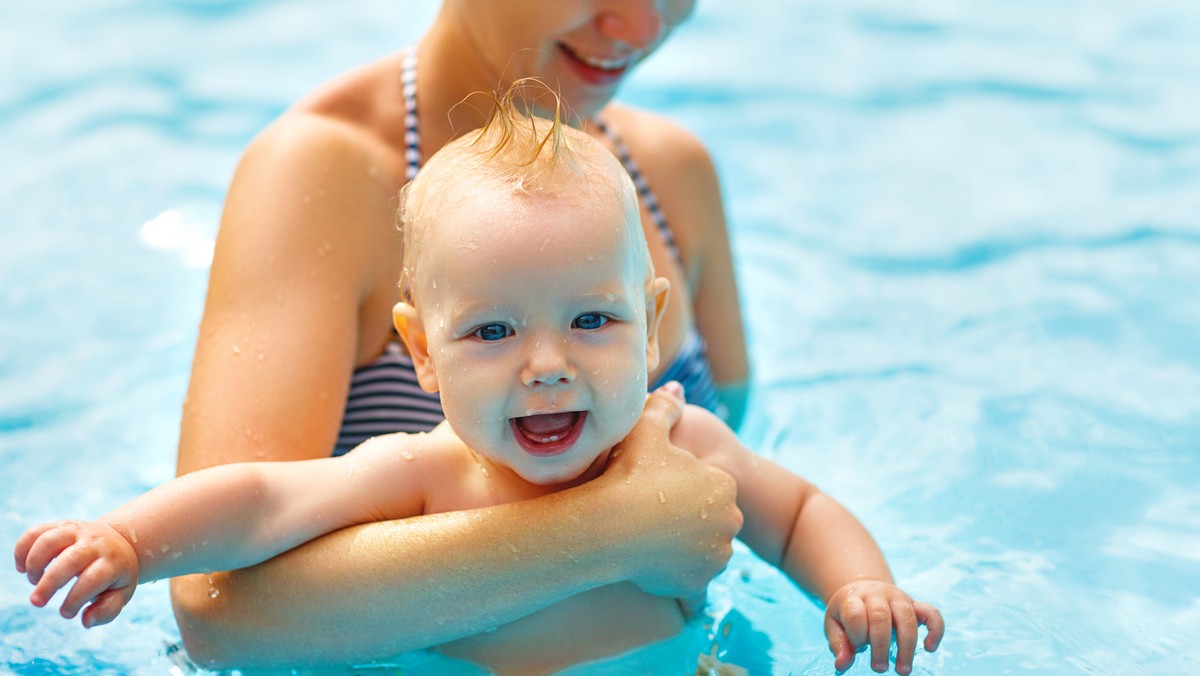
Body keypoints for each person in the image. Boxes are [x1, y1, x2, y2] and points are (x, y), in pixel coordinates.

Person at [16, 101, 943, 675]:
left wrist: (860, 588)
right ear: (422, 352)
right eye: (493, 332)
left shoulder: (684, 444)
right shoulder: (421, 473)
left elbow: (799, 512)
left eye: (592, 320)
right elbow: (260, 499)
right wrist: (131, 540)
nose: (547, 364)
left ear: (653, 322)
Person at [169, 0, 748, 664]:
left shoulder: (671, 169)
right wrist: (612, 532)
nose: (642, 30)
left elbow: (745, 456)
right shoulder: (324, 173)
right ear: (422, 345)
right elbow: (216, 611)